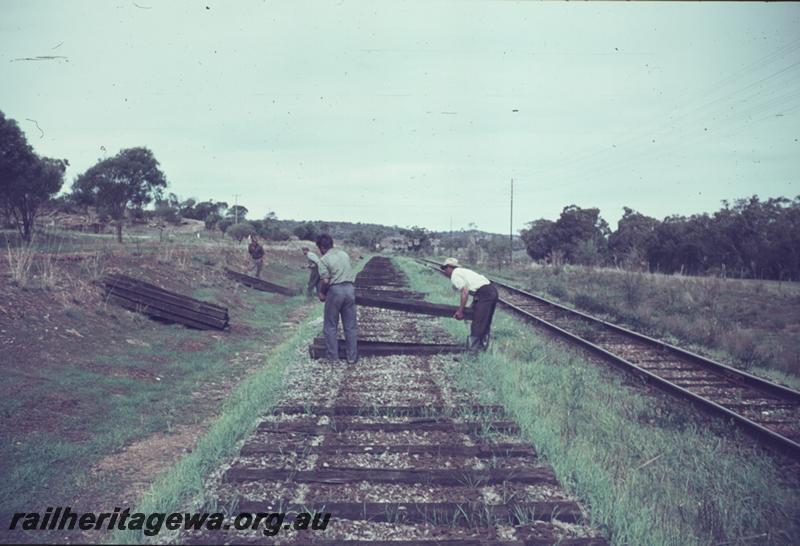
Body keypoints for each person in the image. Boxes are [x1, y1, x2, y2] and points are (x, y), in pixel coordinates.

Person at [441, 257, 499, 355]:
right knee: (485, 321)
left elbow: (465, 291)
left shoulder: (455, 275)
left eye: (445, 268)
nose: (445, 271)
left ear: (450, 267)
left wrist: (460, 311)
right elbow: (476, 289)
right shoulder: (463, 271)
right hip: (491, 291)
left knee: (478, 322)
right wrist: (472, 305)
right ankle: (482, 350)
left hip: (485, 293)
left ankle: (472, 354)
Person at [316, 234, 358, 364]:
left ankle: (333, 358)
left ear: (322, 247)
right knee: (350, 326)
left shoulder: (323, 260)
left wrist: (322, 293)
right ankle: (352, 357)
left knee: (330, 325)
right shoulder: (344, 254)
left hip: (336, 291)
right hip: (350, 290)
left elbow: (326, 280)